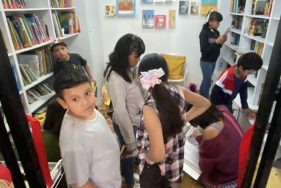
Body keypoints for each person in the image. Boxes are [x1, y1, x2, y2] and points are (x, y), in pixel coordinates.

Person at [137, 53, 210, 188]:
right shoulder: (179, 91)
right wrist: (184, 118)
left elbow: (158, 154)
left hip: (154, 168)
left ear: (142, 78)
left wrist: (147, 157)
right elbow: (205, 103)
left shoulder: (150, 108)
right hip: (173, 161)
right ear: (166, 73)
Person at [53, 67, 121, 188]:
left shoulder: (87, 111)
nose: (85, 102)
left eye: (87, 93)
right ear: (63, 103)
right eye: (75, 99)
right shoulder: (73, 140)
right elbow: (81, 184)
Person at [103, 33, 145, 188]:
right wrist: (130, 141)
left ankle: (130, 178)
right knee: (126, 159)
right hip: (126, 125)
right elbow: (120, 112)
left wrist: (139, 83)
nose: (138, 59)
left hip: (134, 121)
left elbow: (129, 91)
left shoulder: (125, 68)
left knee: (129, 158)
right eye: (136, 56)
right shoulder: (115, 76)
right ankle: (129, 183)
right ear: (124, 54)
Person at [43, 40, 95, 136]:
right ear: (54, 54)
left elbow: (85, 65)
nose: (60, 52)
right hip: (72, 92)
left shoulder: (76, 57)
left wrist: (91, 78)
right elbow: (59, 82)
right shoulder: (57, 66)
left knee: (89, 105)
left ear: (67, 49)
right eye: (56, 51)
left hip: (83, 85)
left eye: (62, 49)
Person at [189, 104, 244, 187]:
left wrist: (200, 138)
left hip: (229, 180)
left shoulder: (211, 131)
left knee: (195, 177)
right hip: (242, 169)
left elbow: (204, 166)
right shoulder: (223, 109)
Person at [210, 52, 263, 116]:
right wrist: (220, 109)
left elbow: (243, 90)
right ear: (241, 68)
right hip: (219, 104)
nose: (249, 74)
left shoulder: (243, 75)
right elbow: (214, 92)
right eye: (249, 72)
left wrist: (245, 106)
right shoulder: (227, 75)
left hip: (228, 102)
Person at [199, 11, 227, 98]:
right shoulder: (204, 33)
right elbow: (204, 51)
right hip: (206, 62)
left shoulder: (216, 32)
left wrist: (222, 42)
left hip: (213, 61)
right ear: (210, 22)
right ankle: (205, 101)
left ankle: (200, 97)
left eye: (219, 22)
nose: (219, 24)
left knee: (206, 80)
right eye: (217, 22)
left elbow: (217, 47)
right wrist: (217, 42)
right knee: (207, 82)